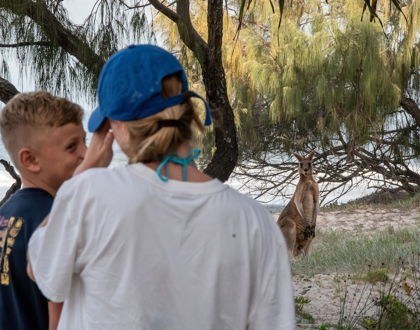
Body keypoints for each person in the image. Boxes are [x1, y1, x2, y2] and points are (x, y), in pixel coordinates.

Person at [28, 44, 296, 329]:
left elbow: (41, 270)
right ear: (189, 114)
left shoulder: (89, 193)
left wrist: (84, 171)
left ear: (115, 125)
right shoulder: (253, 220)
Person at [0, 91, 87, 330]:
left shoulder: (2, 218)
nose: (84, 153)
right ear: (30, 159)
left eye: (84, 141)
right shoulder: (56, 221)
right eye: (71, 147)